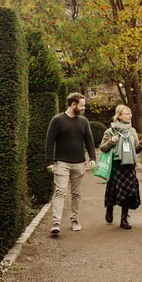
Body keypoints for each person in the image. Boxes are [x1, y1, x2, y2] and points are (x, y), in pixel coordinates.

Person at [45, 92, 97, 236]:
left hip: (79, 164)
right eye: (82, 105)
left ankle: (74, 220)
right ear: (73, 104)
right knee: (60, 191)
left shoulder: (84, 122)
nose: (84, 108)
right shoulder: (57, 120)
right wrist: (49, 161)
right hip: (61, 163)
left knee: (76, 194)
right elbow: (49, 141)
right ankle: (56, 223)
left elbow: (89, 141)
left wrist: (92, 158)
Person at [99, 105, 142, 229]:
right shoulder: (110, 131)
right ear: (119, 116)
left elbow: (136, 149)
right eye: (127, 114)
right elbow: (103, 148)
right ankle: (110, 207)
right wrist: (111, 141)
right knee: (113, 190)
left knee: (128, 192)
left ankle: (124, 219)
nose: (130, 116)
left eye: (130, 113)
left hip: (129, 166)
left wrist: (141, 145)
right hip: (116, 166)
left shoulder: (132, 131)